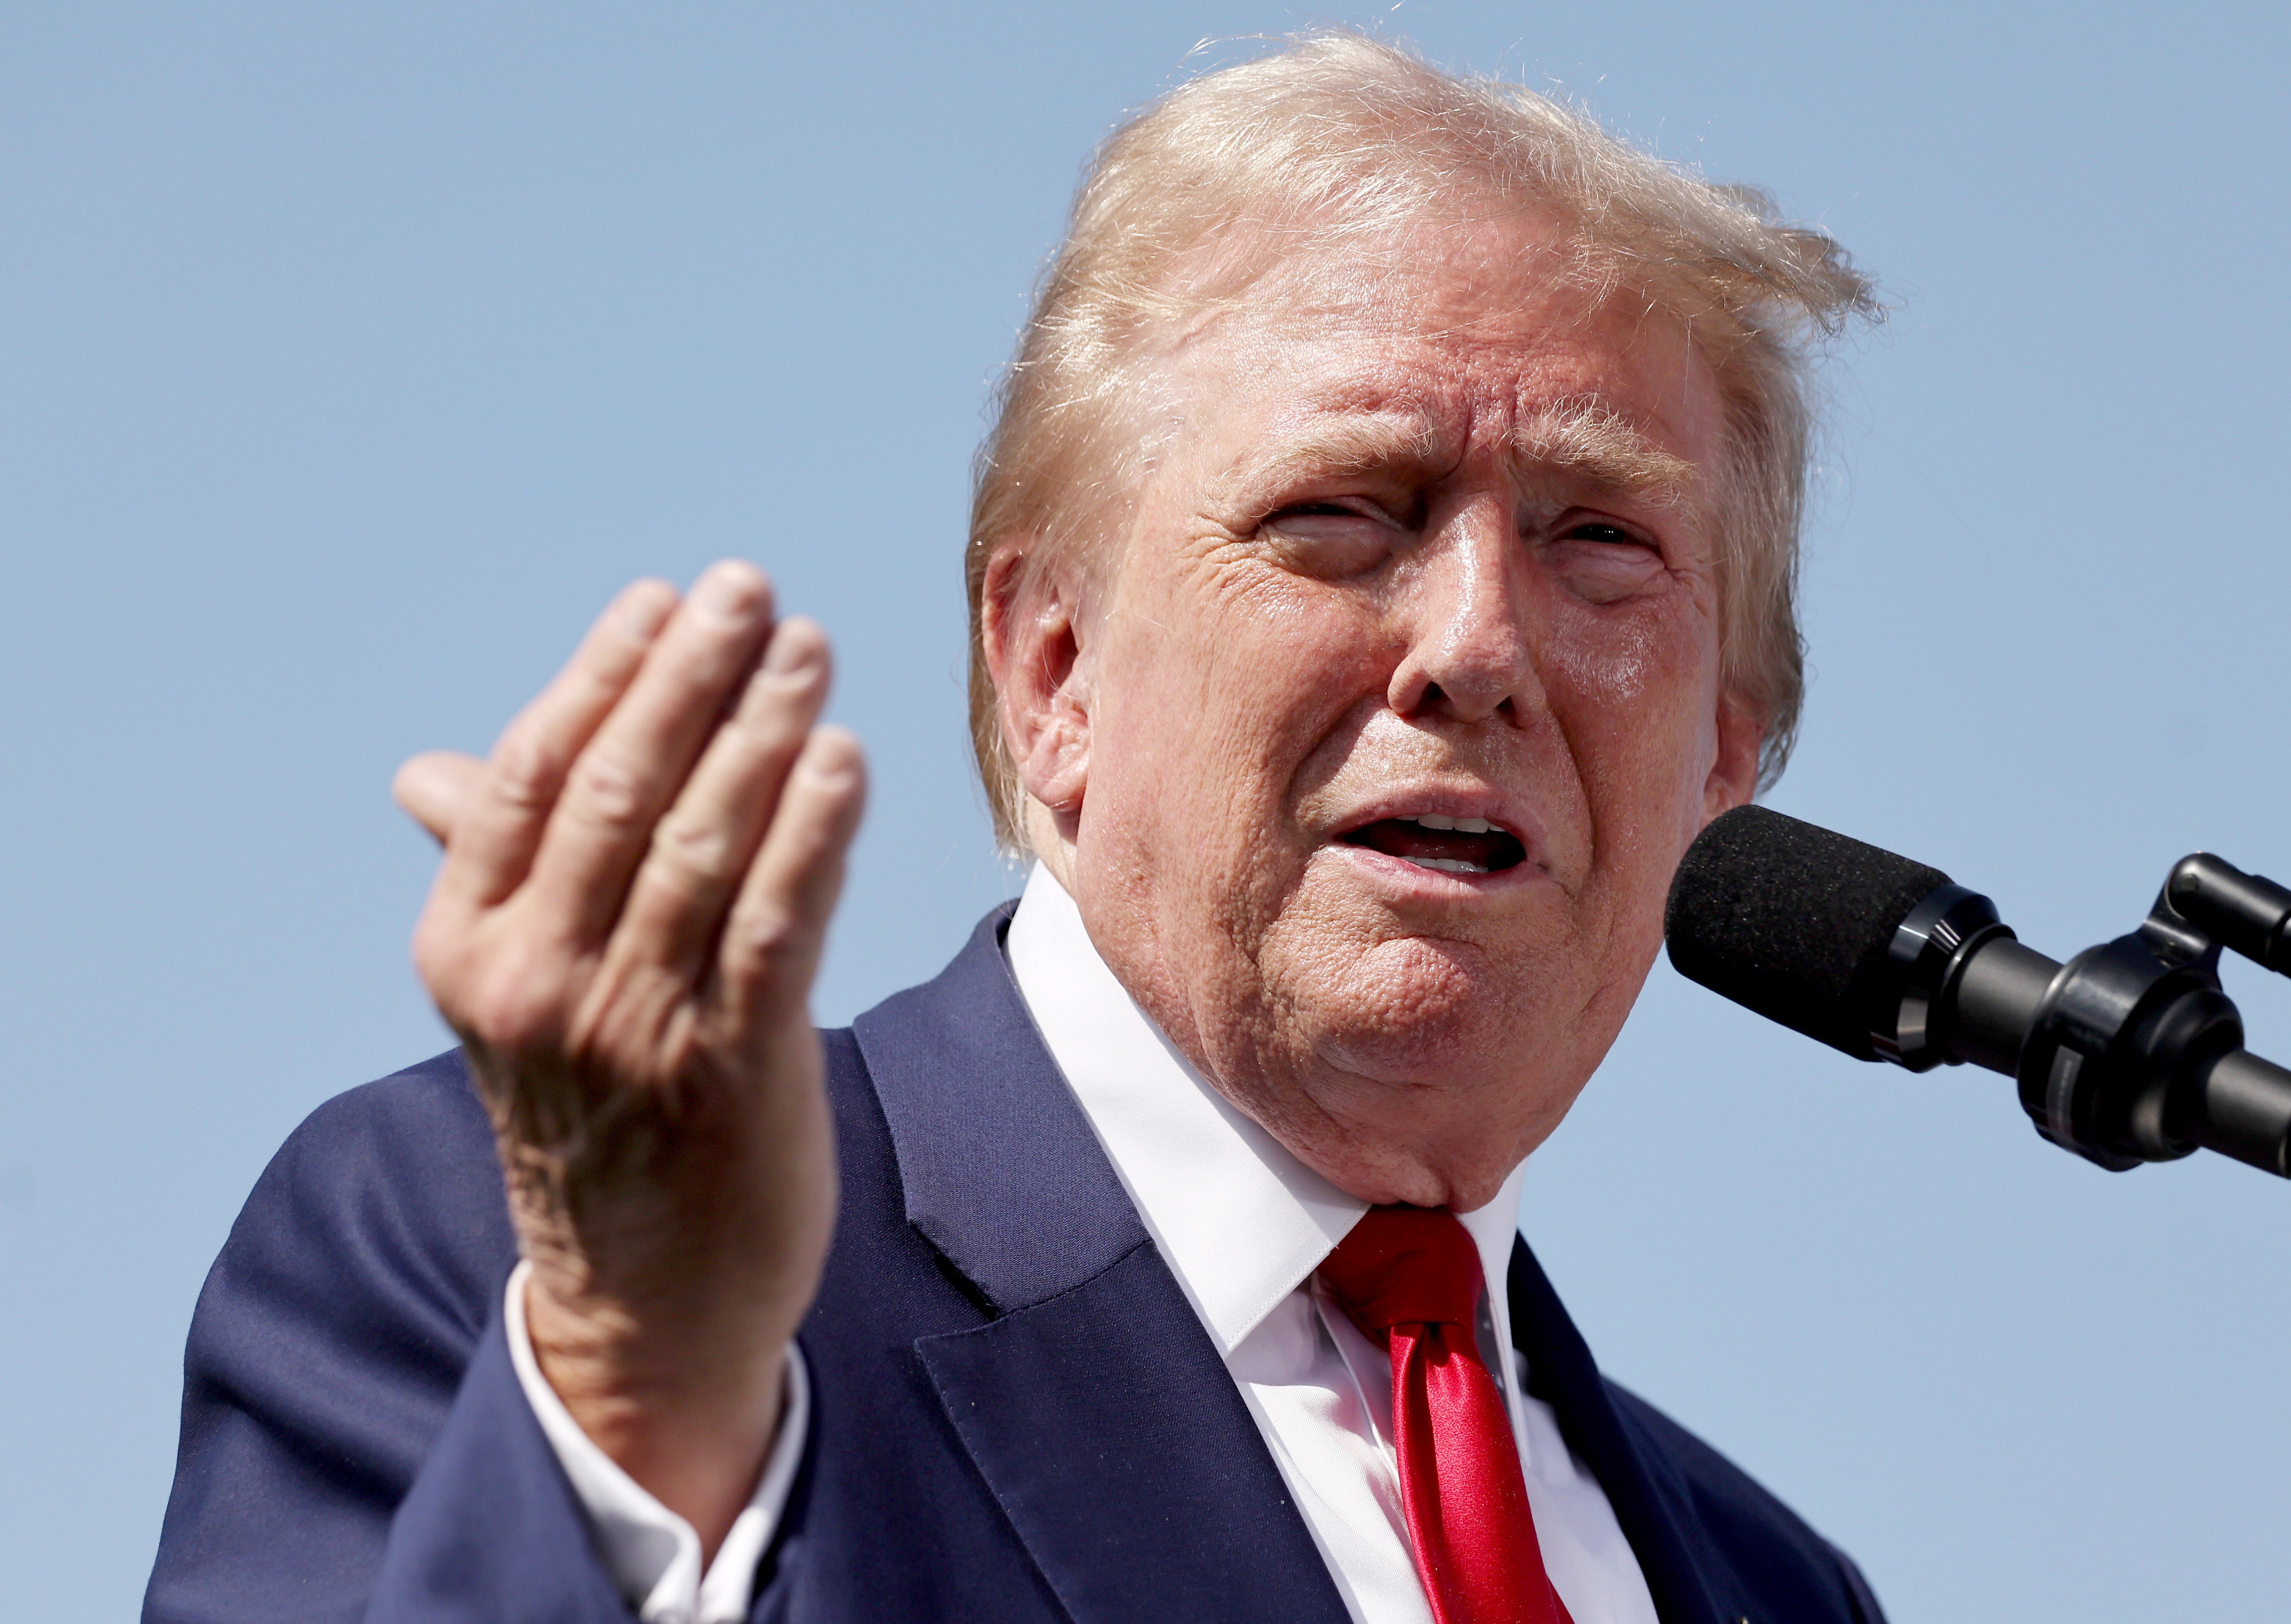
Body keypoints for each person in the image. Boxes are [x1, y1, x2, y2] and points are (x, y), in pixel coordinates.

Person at [146, 34, 1886, 1624]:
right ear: (1054, 673)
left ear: (1722, 760)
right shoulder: (526, 1260)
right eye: (1346, 511)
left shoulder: (1775, 1585)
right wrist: (634, 1403)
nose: (1477, 647)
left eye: (1602, 543)